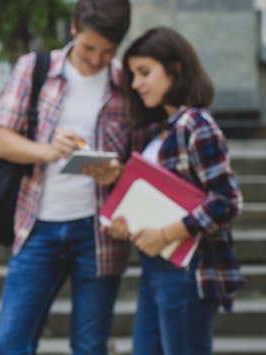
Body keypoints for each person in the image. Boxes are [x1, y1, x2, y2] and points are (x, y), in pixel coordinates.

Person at [0, 1, 153, 354]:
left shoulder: (126, 83)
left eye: (107, 51)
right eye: (89, 48)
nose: (96, 59)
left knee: (90, 345)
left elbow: (141, 162)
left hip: (99, 232)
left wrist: (118, 173)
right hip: (38, 225)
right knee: (11, 342)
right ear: (74, 29)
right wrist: (47, 150)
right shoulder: (35, 68)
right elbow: (3, 141)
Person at [109, 27, 245, 355]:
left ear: (176, 68)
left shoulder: (196, 125)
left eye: (145, 73)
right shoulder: (161, 129)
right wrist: (122, 220)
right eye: (133, 75)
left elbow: (227, 201)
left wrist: (166, 233)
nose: (137, 84)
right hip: (156, 267)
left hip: (189, 271)